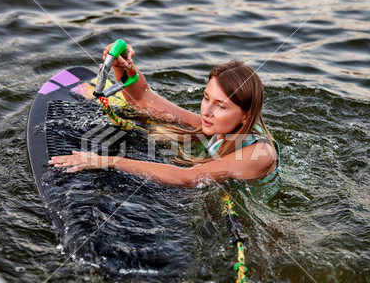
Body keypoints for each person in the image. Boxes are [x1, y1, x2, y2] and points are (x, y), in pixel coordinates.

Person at [48, 42, 279, 187]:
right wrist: (124, 67)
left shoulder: (260, 154)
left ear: (246, 117)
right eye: (206, 97)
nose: (206, 110)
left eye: (220, 105)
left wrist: (109, 161)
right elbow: (144, 101)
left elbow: (188, 177)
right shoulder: (216, 126)